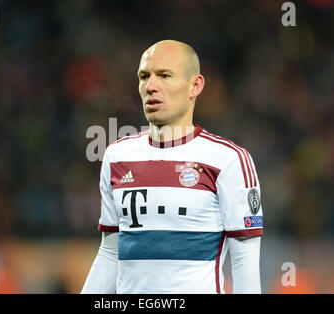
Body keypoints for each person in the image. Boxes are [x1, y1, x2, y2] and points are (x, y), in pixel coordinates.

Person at [81, 40, 263, 294]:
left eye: (164, 75)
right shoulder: (116, 157)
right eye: (144, 77)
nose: (151, 86)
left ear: (195, 86)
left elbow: (244, 260)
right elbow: (111, 252)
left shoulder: (229, 160)